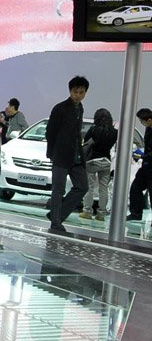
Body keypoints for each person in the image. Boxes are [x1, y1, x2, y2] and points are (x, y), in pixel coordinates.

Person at [45, 76, 90, 233]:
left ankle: (56, 215)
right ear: (70, 91)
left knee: (82, 187)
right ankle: (56, 223)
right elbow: (50, 132)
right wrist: (52, 153)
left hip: (76, 156)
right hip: (61, 155)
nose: (78, 95)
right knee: (58, 190)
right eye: (75, 92)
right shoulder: (60, 108)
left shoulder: (80, 108)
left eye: (81, 92)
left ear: (85, 92)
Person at [80, 108, 117, 221]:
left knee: (89, 187)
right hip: (106, 161)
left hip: (92, 160)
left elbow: (86, 141)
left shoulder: (93, 129)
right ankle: (101, 214)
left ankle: (87, 211)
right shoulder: (115, 132)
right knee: (103, 188)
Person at [128, 107, 152, 222]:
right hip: (146, 166)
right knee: (135, 187)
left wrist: (143, 156)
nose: (141, 123)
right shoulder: (148, 129)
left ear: (149, 120)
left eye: (142, 121)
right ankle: (136, 214)